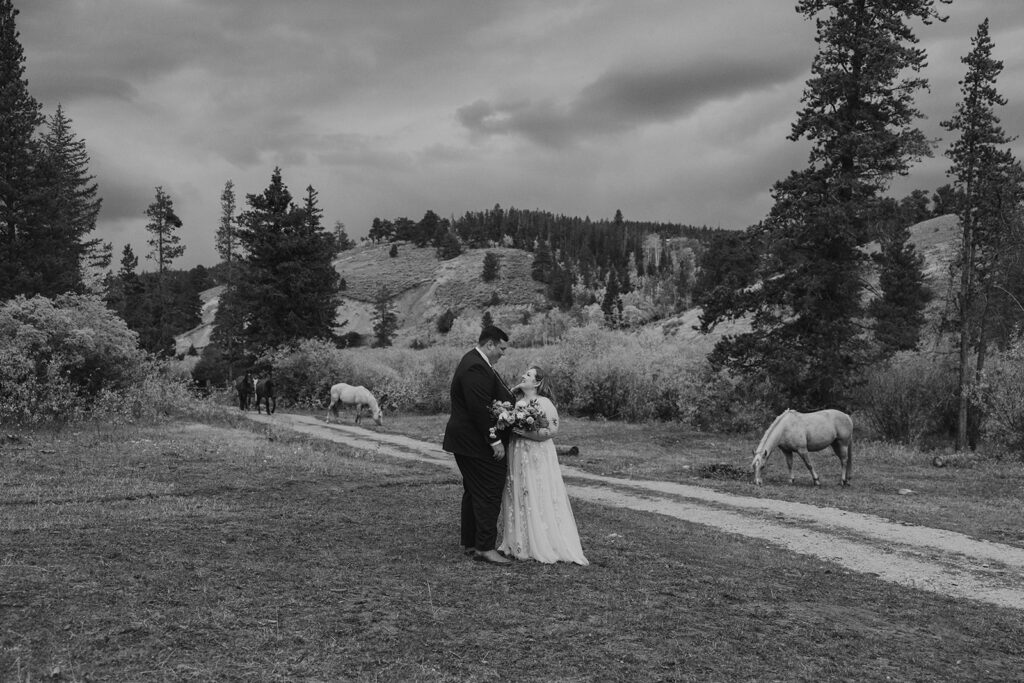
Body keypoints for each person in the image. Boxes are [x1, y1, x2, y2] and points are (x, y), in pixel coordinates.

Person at [498, 366, 588, 565]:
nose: (523, 375)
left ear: (537, 382)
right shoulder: (517, 401)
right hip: (517, 451)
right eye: (524, 373)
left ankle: (541, 540)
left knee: (536, 490)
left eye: (528, 375)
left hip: (536, 453)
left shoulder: (544, 403)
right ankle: (518, 542)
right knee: (519, 491)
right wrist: (513, 393)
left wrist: (526, 433)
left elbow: (552, 430)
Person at [442, 326, 516, 565]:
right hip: (475, 442)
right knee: (488, 491)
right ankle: (484, 547)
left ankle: (472, 542)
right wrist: (494, 440)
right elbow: (478, 408)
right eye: (502, 348)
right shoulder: (475, 366)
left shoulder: (477, 362)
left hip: (468, 441)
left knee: (474, 491)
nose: (503, 353)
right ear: (490, 345)